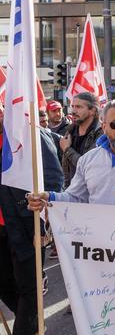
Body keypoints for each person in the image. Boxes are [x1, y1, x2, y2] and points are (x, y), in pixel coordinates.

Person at [1, 102, 64, 334]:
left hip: (26, 223)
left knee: (29, 289)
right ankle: (32, 321)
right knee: (6, 285)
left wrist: (45, 222)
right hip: (1, 228)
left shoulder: (31, 134)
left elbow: (54, 178)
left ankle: (28, 325)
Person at [60, 92, 103, 188]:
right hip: (71, 191)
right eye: (73, 106)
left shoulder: (101, 134)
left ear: (92, 110)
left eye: (78, 107)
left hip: (92, 190)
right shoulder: (70, 131)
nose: (73, 111)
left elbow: (87, 165)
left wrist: (67, 149)